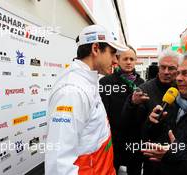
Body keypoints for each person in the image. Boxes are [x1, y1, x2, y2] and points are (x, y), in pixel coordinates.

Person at [45, 25, 127, 175]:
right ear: (96, 49)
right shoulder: (72, 91)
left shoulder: (88, 80)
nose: (116, 61)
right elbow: (58, 164)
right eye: (113, 53)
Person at [120, 49, 181, 175]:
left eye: (171, 68)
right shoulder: (144, 89)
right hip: (153, 155)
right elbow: (129, 122)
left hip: (179, 153)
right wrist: (132, 104)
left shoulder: (184, 89)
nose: (166, 72)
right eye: (163, 67)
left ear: (179, 69)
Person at [99, 46, 145, 175]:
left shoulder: (142, 83)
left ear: (136, 61)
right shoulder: (106, 82)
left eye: (132, 59)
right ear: (117, 59)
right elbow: (103, 114)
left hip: (135, 140)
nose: (129, 62)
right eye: (125, 59)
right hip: (114, 140)